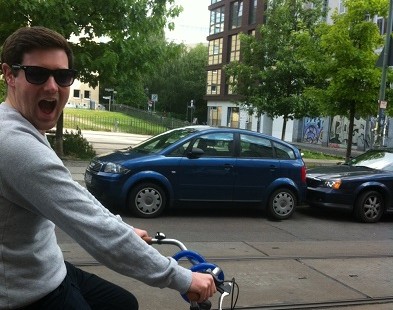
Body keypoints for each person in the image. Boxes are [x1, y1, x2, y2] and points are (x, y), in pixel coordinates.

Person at [0, 26, 216, 309]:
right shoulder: (14, 144)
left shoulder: (24, 125)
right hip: (26, 294)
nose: (52, 87)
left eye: (63, 76)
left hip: (46, 269)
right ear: (9, 75)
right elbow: (92, 229)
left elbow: (75, 196)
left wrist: (120, 225)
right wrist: (183, 279)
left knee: (123, 303)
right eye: (37, 74)